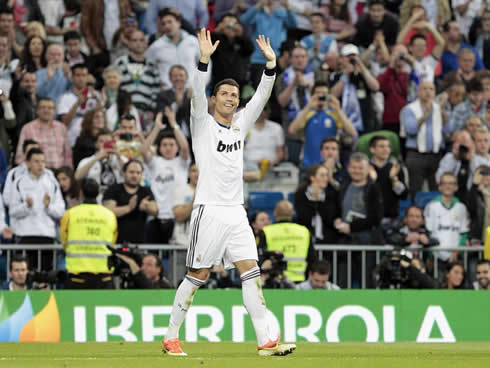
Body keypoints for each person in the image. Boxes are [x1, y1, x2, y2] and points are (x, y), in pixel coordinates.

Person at [162, 29, 295, 357]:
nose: (231, 99)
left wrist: (271, 66)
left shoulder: (240, 124)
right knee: (198, 275)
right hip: (208, 209)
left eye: (235, 95)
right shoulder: (202, 124)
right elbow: (196, 93)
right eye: (225, 94)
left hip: (236, 211)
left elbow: (262, 97)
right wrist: (204, 60)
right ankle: (171, 336)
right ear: (214, 99)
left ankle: (266, 341)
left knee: (251, 270)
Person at [141, 110, 191, 244]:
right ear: (159, 147)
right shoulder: (155, 162)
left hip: (177, 218)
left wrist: (174, 123)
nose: (168, 148)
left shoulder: (181, 162)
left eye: (171, 145)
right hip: (156, 217)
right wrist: (156, 128)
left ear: (176, 147)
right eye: (164, 145)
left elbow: (185, 147)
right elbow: (144, 150)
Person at [60, 178, 117, 289]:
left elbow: (64, 240)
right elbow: (113, 242)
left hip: (77, 275)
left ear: (81, 193)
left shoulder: (70, 214)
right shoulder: (110, 215)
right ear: (99, 192)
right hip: (103, 276)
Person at [289, 80, 356, 170]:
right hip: (308, 164)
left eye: (324, 93)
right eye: (318, 93)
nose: (321, 96)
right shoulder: (306, 113)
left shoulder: (335, 113)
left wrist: (338, 109)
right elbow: (292, 130)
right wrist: (308, 106)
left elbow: (352, 132)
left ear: (329, 96)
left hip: (330, 165)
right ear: (312, 95)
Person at [401, 81, 450, 198]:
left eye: (431, 89)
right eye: (424, 89)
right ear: (418, 92)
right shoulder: (409, 109)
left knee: (437, 189)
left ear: (435, 92)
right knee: (415, 190)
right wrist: (426, 114)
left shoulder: (440, 109)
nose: (428, 92)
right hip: (416, 156)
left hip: (436, 155)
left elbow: (448, 129)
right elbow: (410, 129)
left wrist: (442, 112)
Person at [10, 148, 65, 244]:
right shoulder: (19, 182)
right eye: (36, 161)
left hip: (47, 234)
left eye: (43, 161)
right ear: (28, 163)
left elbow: (61, 211)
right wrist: (26, 206)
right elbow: (13, 211)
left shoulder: (52, 182)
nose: (41, 165)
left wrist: (49, 207)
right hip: (25, 234)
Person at [257, 200, 316, 283]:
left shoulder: (266, 231)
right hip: (299, 280)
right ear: (292, 213)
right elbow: (312, 259)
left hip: (274, 279)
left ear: (275, 214)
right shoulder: (304, 231)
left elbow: (259, 257)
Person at [114, 29, 160, 128]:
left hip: (146, 115)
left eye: (141, 40)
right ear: (129, 43)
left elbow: (155, 90)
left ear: (146, 43)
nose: (138, 43)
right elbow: (115, 87)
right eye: (134, 40)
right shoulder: (120, 63)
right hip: (123, 111)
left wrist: (151, 110)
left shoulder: (152, 66)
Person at [144, 8, 201, 90]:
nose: (167, 26)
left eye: (170, 22)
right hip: (167, 93)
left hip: (192, 91)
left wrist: (200, 85)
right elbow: (147, 68)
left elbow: (206, 63)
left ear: (178, 23)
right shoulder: (156, 46)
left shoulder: (192, 41)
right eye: (163, 24)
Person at [424, 172, 470, 267]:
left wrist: (457, 253)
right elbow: (428, 233)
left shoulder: (462, 208)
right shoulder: (431, 206)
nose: (448, 186)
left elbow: (464, 234)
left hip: (456, 257)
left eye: (451, 183)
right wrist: (430, 255)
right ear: (440, 187)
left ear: (456, 187)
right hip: (436, 256)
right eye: (445, 183)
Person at [15, 97, 72, 169]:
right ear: (37, 110)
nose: (46, 110)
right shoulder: (27, 129)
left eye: (50, 108)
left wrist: (67, 172)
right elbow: (19, 157)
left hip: (59, 173)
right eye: (43, 107)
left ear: (54, 111)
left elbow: (68, 155)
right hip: (35, 174)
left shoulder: (62, 128)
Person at [294, 164, 340, 243]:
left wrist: (319, 201)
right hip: (306, 239)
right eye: (322, 175)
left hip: (328, 240)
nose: (326, 178)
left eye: (326, 175)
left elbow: (330, 219)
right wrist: (313, 200)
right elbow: (303, 218)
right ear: (312, 178)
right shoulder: (300, 195)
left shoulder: (332, 195)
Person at [436, 130, 488, 200]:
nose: (463, 145)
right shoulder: (449, 158)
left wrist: (472, 160)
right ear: (454, 144)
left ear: (472, 143)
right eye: (459, 142)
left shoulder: (481, 161)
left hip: (473, 199)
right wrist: (454, 159)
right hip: (452, 198)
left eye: (465, 141)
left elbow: (484, 179)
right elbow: (438, 179)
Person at [56, 63, 100, 146]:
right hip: (72, 141)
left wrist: (98, 101)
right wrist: (77, 104)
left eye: (84, 75)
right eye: (78, 75)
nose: (81, 79)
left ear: (87, 77)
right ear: (72, 77)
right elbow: (64, 123)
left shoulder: (95, 95)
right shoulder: (64, 98)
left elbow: (102, 120)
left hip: (93, 141)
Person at [369, 135, 408, 222]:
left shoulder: (395, 168)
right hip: (369, 219)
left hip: (391, 219)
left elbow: (404, 196)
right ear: (372, 149)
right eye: (381, 146)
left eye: (388, 146)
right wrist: (371, 180)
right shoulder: (365, 168)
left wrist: (394, 179)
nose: (386, 149)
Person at [210, 13, 254, 91]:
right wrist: (217, 30)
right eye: (227, 23)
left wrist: (240, 35)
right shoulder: (216, 39)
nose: (230, 27)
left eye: (233, 23)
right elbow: (208, 44)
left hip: (239, 84)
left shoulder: (241, 41)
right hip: (218, 83)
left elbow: (250, 48)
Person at [244, 103, 285, 167]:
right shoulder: (243, 127)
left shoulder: (276, 127)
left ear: (269, 111)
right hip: (247, 167)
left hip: (271, 167)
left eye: (264, 108)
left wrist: (274, 163)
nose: (261, 111)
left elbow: (281, 152)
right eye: (258, 108)